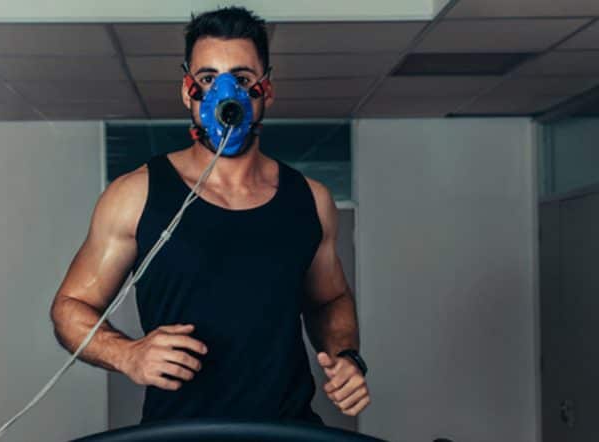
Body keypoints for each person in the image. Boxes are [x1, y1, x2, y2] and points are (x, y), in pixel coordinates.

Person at [49, 6, 370, 425]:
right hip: (178, 433)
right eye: (207, 79)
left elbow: (330, 299)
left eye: (241, 79)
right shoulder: (136, 195)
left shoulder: (310, 199)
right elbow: (70, 307)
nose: (225, 94)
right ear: (188, 92)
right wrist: (126, 354)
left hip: (287, 432)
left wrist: (346, 355)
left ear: (265, 90)